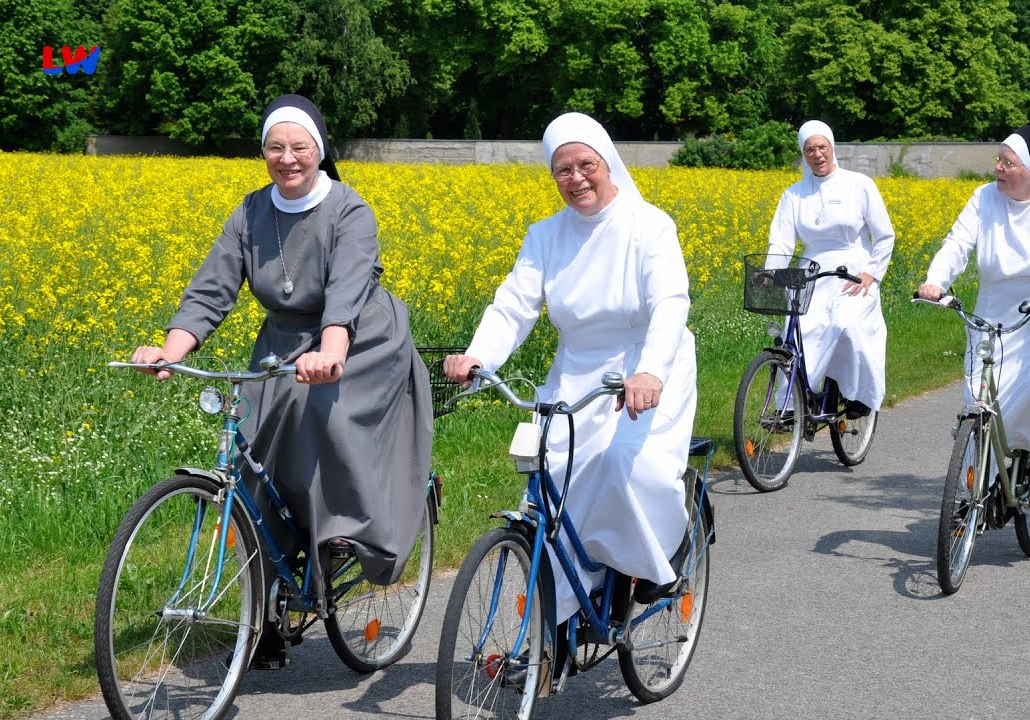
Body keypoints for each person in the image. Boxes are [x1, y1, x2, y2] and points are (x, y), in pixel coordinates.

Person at [130, 94, 434, 668]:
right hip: (284, 345)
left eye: (300, 147)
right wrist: (171, 350)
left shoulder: (350, 211)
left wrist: (332, 350)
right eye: (276, 147)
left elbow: (345, 294)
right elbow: (211, 289)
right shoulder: (249, 213)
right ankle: (265, 608)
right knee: (252, 453)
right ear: (263, 152)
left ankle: (347, 533)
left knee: (327, 416)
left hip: (362, 341)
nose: (287, 158)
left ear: (319, 150)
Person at [443, 112, 697, 627]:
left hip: (643, 366)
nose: (576, 178)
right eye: (562, 170)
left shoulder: (649, 224)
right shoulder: (545, 235)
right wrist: (478, 356)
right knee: (549, 488)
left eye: (586, 164)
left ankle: (661, 554)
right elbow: (514, 304)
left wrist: (650, 371)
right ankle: (553, 630)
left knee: (624, 464)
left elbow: (671, 301)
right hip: (575, 372)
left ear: (607, 163)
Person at [916, 125, 1030, 475]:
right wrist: (935, 281)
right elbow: (957, 243)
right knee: (979, 404)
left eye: (1007, 163)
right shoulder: (984, 198)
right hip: (994, 316)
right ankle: (974, 494)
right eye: (998, 160)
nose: (998, 168)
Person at [764, 120, 895, 418]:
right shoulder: (793, 195)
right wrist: (770, 271)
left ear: (832, 147)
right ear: (803, 153)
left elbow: (885, 234)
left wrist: (871, 273)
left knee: (846, 324)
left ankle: (858, 395)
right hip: (811, 273)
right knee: (794, 334)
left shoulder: (859, 184)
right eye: (810, 149)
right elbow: (781, 242)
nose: (817, 154)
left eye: (822, 147)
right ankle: (790, 407)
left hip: (854, 271)